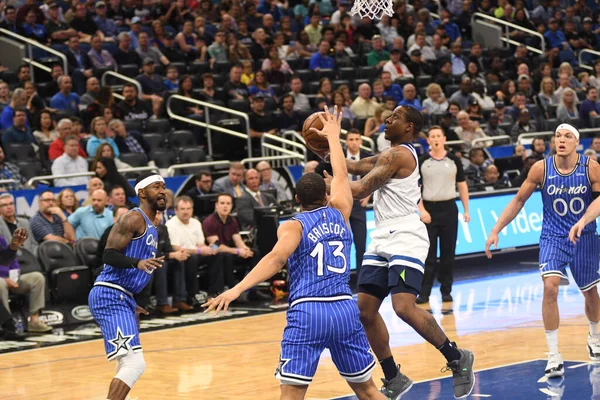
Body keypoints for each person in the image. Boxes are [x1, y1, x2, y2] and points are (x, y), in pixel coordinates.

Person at [203, 106, 386, 400]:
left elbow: (275, 260)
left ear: (297, 199)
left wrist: (235, 290)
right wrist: (334, 138)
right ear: (326, 196)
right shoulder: (341, 211)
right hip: (343, 309)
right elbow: (340, 174)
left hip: (308, 311)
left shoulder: (293, 225)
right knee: (367, 390)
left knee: (291, 395)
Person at [343, 106, 475, 399]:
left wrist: (331, 187)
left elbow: (361, 188)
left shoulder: (401, 153)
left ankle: (456, 357)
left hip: (405, 235)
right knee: (365, 311)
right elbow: (355, 166)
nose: (388, 120)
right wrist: (327, 144)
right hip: (382, 234)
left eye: (395, 118)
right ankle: (393, 375)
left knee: (402, 307)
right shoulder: (389, 154)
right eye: (388, 116)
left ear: (410, 127)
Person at [486, 124, 600, 378]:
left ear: (576, 143)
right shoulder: (541, 168)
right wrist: (496, 229)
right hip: (553, 237)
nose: (561, 140)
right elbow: (518, 200)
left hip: (585, 237)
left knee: (590, 292)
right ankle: (554, 355)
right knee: (550, 287)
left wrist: (582, 222)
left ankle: (594, 337)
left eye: (567, 136)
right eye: (558, 136)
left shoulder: (591, 167)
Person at [88, 172, 167, 400]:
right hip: (110, 294)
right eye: (155, 187)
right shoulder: (133, 218)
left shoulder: (153, 226)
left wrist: (137, 302)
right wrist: (137, 262)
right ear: (141, 193)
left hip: (125, 297)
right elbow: (109, 255)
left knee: (126, 360)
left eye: (163, 186)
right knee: (135, 363)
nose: (161, 191)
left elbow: (144, 272)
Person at [417, 127, 470, 304]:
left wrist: (466, 209)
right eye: (432, 136)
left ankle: (446, 290)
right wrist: (421, 210)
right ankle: (424, 292)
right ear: (429, 140)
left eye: (439, 136)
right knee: (428, 254)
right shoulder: (423, 160)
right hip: (429, 210)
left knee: (448, 253)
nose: (436, 139)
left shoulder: (454, 160)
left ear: (444, 138)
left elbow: (462, 185)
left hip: (449, 208)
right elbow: (415, 188)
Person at [0, 228, 52, 334]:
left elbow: (7, 260)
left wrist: (14, 246)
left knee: (37, 277)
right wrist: (4, 278)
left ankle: (34, 321)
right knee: (0, 283)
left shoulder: (0, 239)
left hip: (11, 278)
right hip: (2, 280)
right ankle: (7, 325)